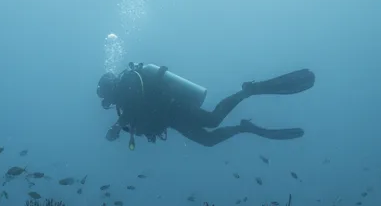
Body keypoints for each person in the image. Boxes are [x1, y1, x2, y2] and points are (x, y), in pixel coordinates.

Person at [96, 63, 315, 149]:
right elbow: (137, 117)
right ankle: (244, 127)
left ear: (111, 86)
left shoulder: (129, 82)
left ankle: (248, 91)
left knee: (213, 119)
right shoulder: (122, 102)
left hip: (175, 107)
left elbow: (136, 106)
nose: (108, 101)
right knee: (209, 140)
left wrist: (117, 126)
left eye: (106, 95)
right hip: (171, 120)